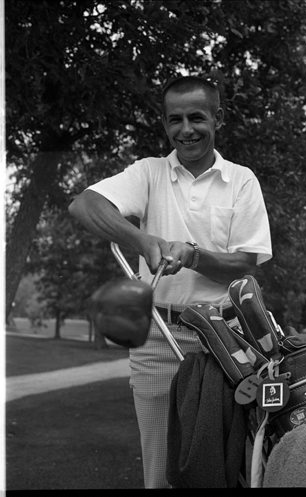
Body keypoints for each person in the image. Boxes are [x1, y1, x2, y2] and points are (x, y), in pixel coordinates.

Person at [68, 75, 273, 488]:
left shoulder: (242, 179)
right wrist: (142, 240)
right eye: (174, 120)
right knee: (160, 471)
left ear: (218, 119)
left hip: (228, 340)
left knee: (225, 463)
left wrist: (194, 254)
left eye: (196, 117)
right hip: (158, 338)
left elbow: (245, 264)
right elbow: (84, 204)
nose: (185, 130)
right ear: (164, 124)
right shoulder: (149, 173)